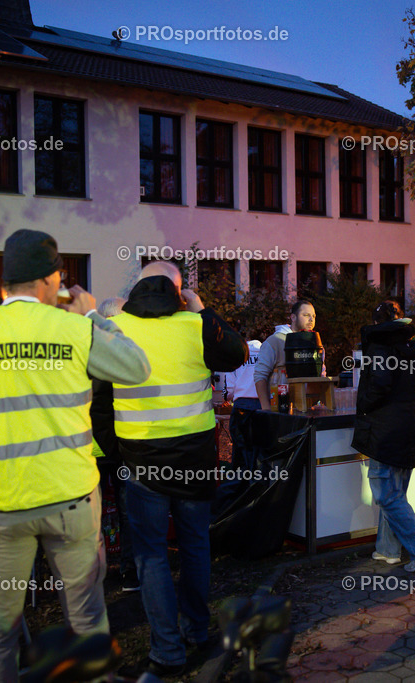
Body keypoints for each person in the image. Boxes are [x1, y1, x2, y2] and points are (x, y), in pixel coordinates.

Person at [0, 229, 151, 683]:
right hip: (69, 500)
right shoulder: (73, 329)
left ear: (6, 282)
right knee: (87, 623)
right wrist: (94, 317)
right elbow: (137, 367)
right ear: (52, 280)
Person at [101, 261, 247, 676]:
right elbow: (237, 353)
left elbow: (98, 401)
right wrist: (202, 311)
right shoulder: (194, 325)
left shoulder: (115, 329)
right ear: (179, 290)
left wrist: (119, 452)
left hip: (141, 461)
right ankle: (197, 632)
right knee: (196, 545)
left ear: (136, 288)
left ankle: (166, 650)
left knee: (150, 556)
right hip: (194, 459)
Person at [352, 300, 415, 571]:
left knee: (386, 495)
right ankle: (388, 550)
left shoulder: (380, 343)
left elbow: (379, 385)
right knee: (396, 493)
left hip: (385, 430)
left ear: (376, 323)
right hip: (412, 426)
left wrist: (364, 405)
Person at [87, 296, 138, 592]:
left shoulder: (85, 351)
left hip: (92, 445)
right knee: (127, 509)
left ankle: (95, 572)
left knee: (92, 512)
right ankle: (129, 571)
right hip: (122, 445)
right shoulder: (125, 354)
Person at [254, 300, 320, 411]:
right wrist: (266, 409)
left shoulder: (315, 344)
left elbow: (320, 375)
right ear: (293, 317)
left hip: (308, 409)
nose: (311, 319)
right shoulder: (275, 341)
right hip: (282, 409)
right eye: (306, 315)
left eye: (313, 316)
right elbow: (260, 375)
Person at [225, 337, 262, 469]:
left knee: (241, 454)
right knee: (261, 453)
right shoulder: (267, 352)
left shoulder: (237, 356)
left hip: (241, 406)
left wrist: (225, 398)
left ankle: (240, 485)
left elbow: (228, 389)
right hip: (264, 405)